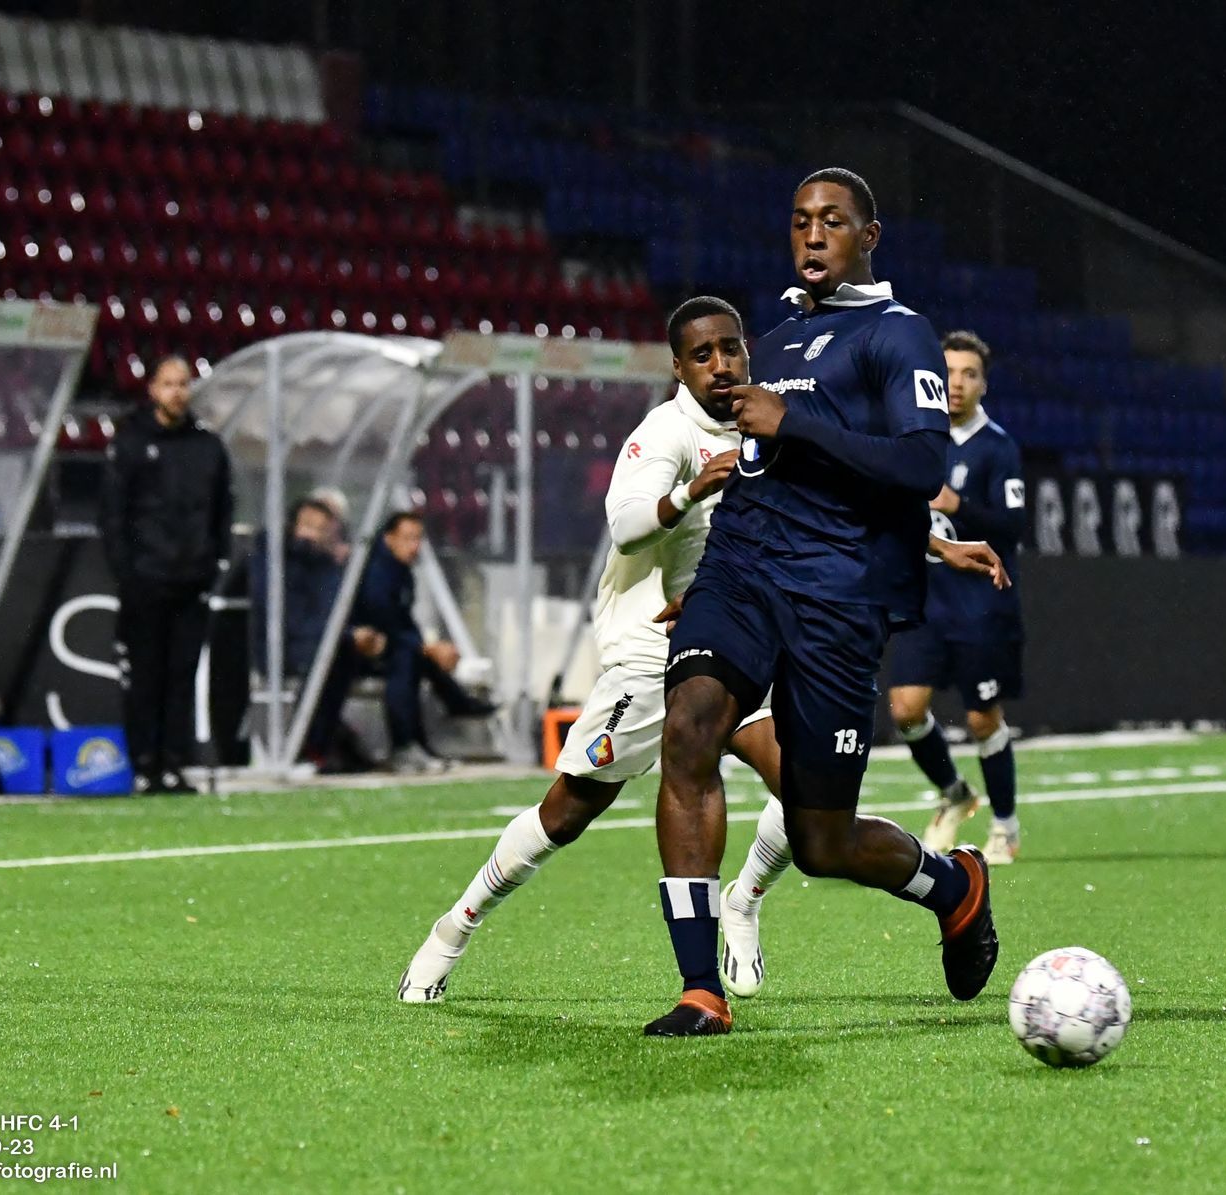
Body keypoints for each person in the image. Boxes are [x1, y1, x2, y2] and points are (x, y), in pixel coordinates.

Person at [395, 296, 1007, 1004]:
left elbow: (834, 505)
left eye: (731, 349)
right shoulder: (666, 431)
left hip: (744, 635)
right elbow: (626, 525)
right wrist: (689, 491)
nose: (721, 365)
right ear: (678, 367)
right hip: (652, 650)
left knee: (810, 802)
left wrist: (935, 544)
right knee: (567, 812)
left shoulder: (772, 417)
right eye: (702, 355)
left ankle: (744, 905)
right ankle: (453, 929)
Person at [645, 167, 998, 1037]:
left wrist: (794, 423)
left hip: (837, 598)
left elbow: (921, 465)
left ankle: (955, 886)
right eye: (801, 219)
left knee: (821, 842)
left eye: (832, 221)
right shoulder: (773, 340)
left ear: (868, 237)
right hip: (742, 575)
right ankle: (700, 989)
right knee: (690, 724)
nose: (812, 234)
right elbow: (767, 467)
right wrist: (700, 579)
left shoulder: (897, 335)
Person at [891, 330, 1027, 864]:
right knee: (906, 709)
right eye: (948, 372)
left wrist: (959, 504)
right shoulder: (916, 438)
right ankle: (955, 793)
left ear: (983, 384)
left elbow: (1013, 527)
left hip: (980, 606)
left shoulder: (997, 447)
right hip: (925, 601)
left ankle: (1006, 826)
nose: (957, 383)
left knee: (981, 719)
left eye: (969, 374)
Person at [100, 355, 234, 794]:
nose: (177, 392)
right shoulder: (131, 443)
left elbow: (222, 510)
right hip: (146, 579)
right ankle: (144, 764)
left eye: (183, 384)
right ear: (153, 390)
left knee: (181, 675)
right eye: (169, 384)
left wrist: (214, 562)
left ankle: (175, 762)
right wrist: (127, 571)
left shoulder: (208, 447)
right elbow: (113, 514)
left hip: (191, 579)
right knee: (145, 675)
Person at [353, 511, 496, 774]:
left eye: (418, 538)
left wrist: (428, 648)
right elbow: (383, 621)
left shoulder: (401, 572)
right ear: (389, 538)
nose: (414, 545)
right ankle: (407, 744)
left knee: (414, 657)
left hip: (391, 647)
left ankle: (426, 736)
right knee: (407, 660)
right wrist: (428, 649)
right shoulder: (376, 572)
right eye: (408, 538)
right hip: (360, 650)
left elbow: (404, 623)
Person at [247, 497, 380, 772]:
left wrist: (358, 634)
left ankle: (331, 741)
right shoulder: (274, 559)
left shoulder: (326, 564)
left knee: (362, 655)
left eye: (321, 529)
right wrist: (347, 635)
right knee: (332, 659)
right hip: (282, 647)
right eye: (308, 525)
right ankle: (312, 745)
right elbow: (290, 617)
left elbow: (335, 610)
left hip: (324, 644)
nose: (312, 535)